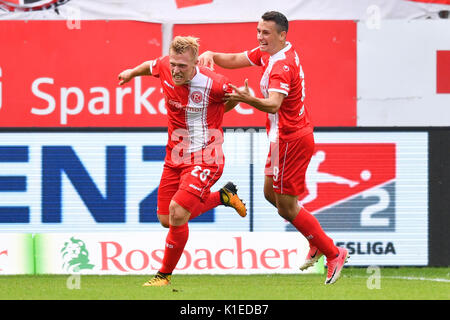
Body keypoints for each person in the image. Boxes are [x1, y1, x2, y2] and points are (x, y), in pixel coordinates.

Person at [198, 11, 349, 284]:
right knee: (271, 194)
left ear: (282, 35)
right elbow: (235, 59)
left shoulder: (282, 65)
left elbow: (273, 104)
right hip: (281, 139)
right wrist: (210, 53)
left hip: (292, 139)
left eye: (265, 33)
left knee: (287, 208)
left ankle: (333, 252)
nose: (260, 36)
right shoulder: (271, 52)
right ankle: (314, 238)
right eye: (258, 31)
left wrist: (247, 98)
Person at [118, 36, 247, 286]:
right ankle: (223, 196)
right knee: (167, 218)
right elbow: (150, 65)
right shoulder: (166, 65)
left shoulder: (215, 83)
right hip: (175, 156)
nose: (176, 70)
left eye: (183, 66)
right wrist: (132, 73)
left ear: (195, 63)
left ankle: (163, 277)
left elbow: (238, 98)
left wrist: (247, 101)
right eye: (174, 64)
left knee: (178, 212)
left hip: (206, 156)